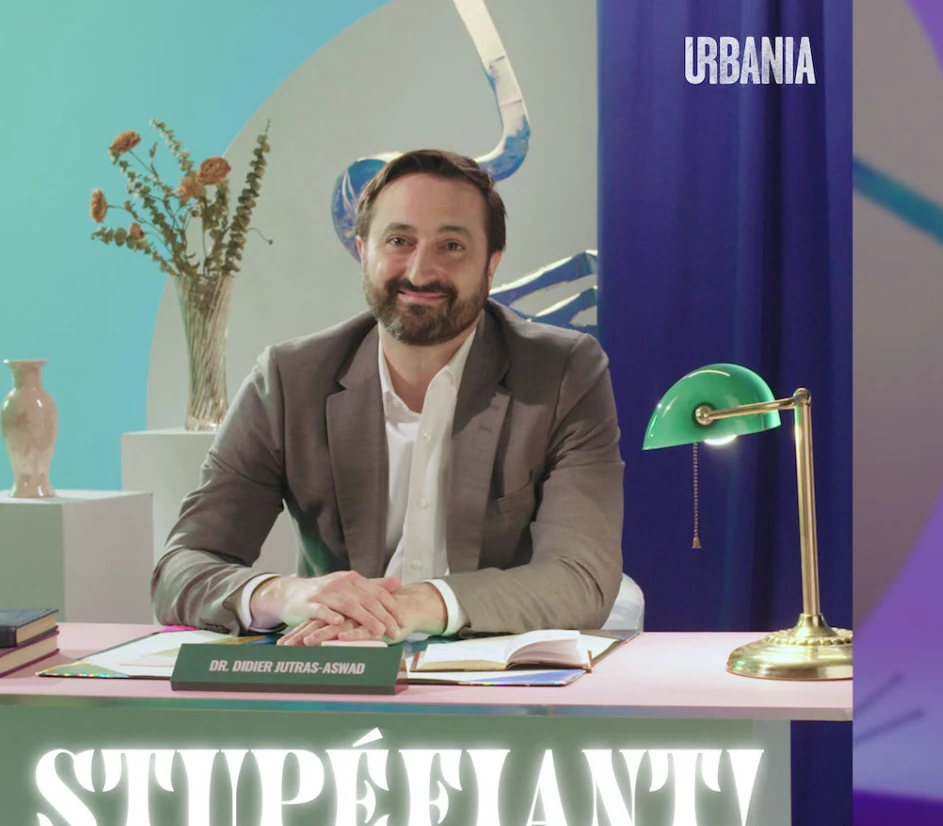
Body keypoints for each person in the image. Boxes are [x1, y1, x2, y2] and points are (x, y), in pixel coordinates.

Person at [151, 148, 623, 645]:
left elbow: (580, 577)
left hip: (490, 668)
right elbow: (182, 568)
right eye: (399, 241)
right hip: (337, 667)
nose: (420, 272)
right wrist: (285, 595)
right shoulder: (290, 380)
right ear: (363, 251)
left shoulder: (562, 374)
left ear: (492, 265)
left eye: (452, 246)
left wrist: (417, 605)